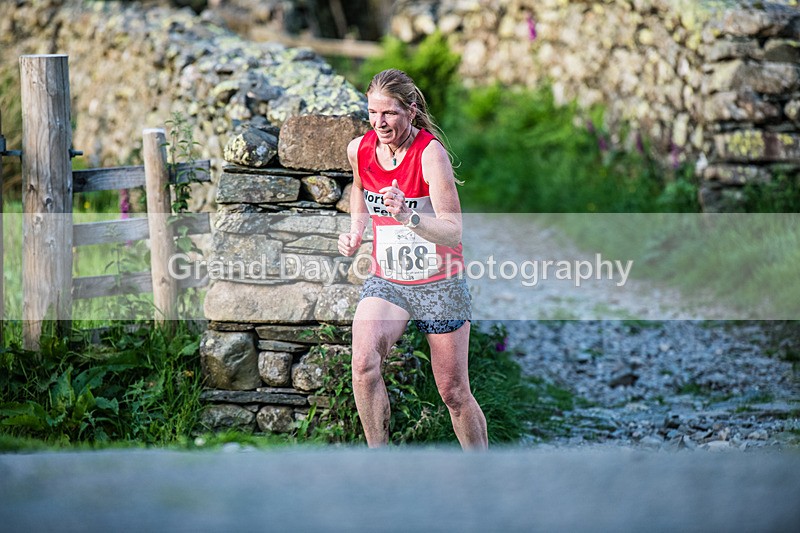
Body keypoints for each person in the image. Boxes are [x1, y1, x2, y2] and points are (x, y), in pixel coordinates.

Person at [338, 68, 488, 450]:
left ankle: (484, 472)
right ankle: (382, 463)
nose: (379, 122)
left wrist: (409, 217)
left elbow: (454, 229)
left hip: (439, 282)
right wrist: (357, 229)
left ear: (411, 110)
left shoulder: (430, 154)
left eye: (388, 113)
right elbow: (358, 188)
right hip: (388, 280)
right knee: (363, 364)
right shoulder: (360, 149)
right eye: (372, 112)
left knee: (453, 393)